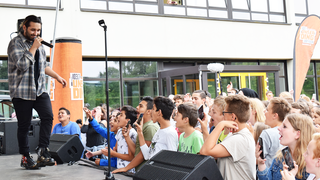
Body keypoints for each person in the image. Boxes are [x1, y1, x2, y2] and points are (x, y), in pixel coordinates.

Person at [7, 15, 67, 169]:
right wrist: (33, 47)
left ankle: (42, 150)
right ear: (24, 27)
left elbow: (43, 66)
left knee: (48, 117)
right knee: (24, 126)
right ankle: (26, 157)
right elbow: (22, 65)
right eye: (33, 29)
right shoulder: (15, 43)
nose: (36, 33)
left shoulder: (39, 45)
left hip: (39, 90)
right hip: (22, 92)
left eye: (38, 30)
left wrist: (57, 76)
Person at [200, 94, 256, 180]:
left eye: (224, 113)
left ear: (233, 117)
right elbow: (212, 154)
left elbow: (205, 151)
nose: (223, 116)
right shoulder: (234, 135)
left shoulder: (239, 139)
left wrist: (220, 125)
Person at [257, 114, 314, 180]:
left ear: (297, 134)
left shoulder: (309, 164)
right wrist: (261, 164)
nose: (279, 128)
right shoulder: (281, 156)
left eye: (284, 126)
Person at [112, 97, 159, 173]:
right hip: (139, 170)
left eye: (141, 106)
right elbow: (137, 152)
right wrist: (127, 137)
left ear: (149, 111)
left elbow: (144, 154)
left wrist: (126, 168)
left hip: (145, 171)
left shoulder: (150, 127)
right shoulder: (143, 126)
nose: (137, 107)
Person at [136, 96, 178, 161]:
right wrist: (140, 132)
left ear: (159, 112)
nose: (151, 112)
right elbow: (147, 155)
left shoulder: (170, 133)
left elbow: (172, 160)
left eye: (153, 109)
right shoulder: (159, 131)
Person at [101, 105, 138, 173]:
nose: (118, 117)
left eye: (121, 115)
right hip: (119, 169)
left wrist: (113, 153)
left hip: (128, 172)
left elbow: (131, 157)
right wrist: (109, 152)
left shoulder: (132, 133)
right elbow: (116, 151)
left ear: (128, 121)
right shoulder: (119, 131)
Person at [259, 97, 291, 168]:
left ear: (275, 115)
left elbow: (259, 159)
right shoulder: (290, 132)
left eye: (267, 110)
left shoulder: (267, 133)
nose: (264, 112)